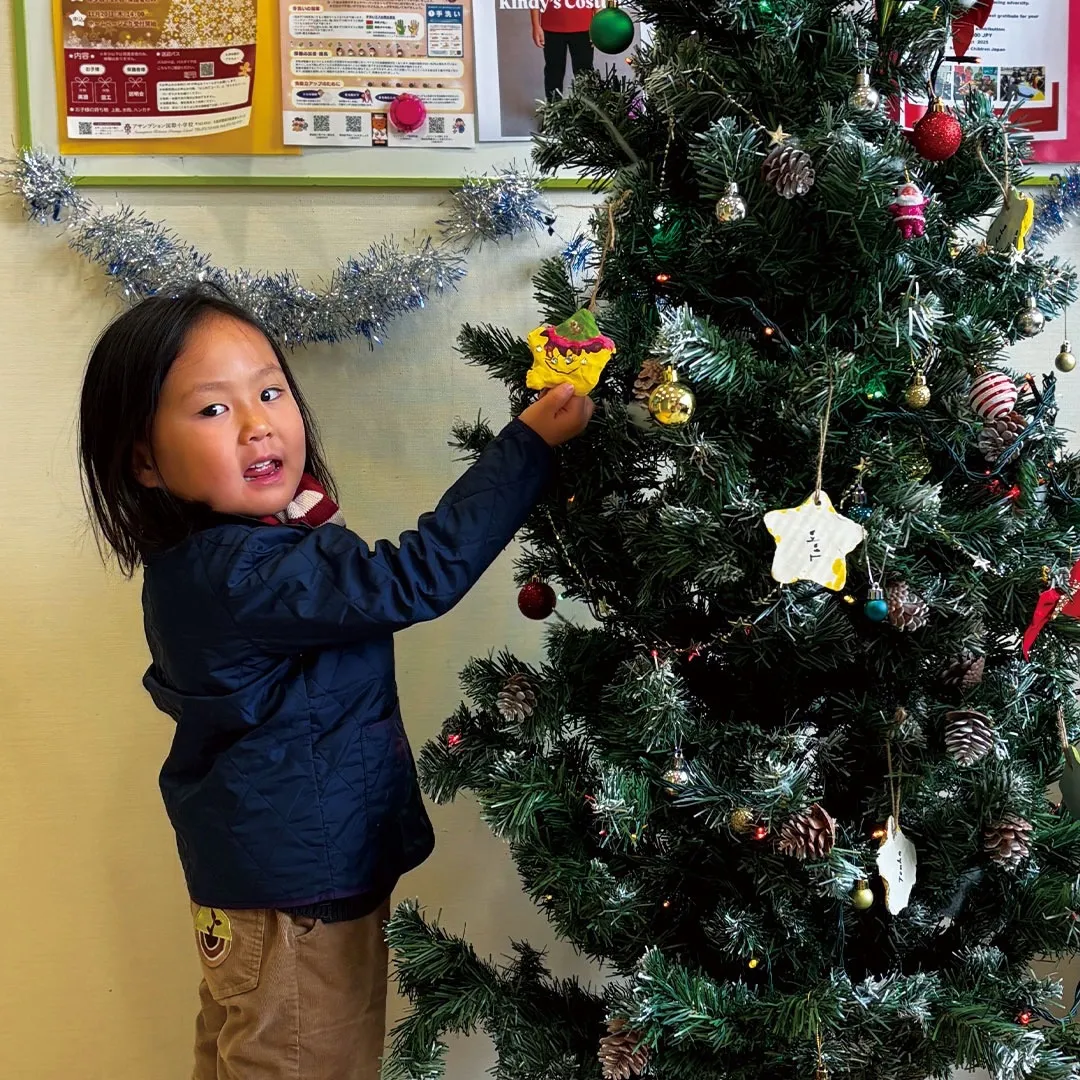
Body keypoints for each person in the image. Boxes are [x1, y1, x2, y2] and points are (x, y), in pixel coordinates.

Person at [77, 287, 593, 1079]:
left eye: (271, 390)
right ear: (143, 459)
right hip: (299, 899)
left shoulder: (208, 561)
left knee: (239, 1055)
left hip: (257, 887)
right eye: (213, 410)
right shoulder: (255, 570)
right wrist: (526, 446)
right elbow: (415, 579)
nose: (258, 423)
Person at [530, 1, 596, 103]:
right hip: (552, 26)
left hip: (584, 27)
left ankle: (587, 110)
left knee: (584, 71)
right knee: (553, 71)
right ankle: (553, 110)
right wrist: (536, 25)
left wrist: (598, 25)